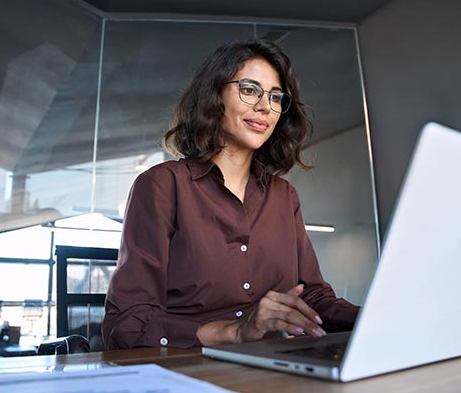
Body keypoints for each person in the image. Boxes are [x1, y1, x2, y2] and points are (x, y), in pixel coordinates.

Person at [102, 38, 359, 349]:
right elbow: (125, 324)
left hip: (276, 366)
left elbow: (313, 298)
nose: (265, 107)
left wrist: (378, 316)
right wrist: (232, 332)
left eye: (276, 97)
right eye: (250, 90)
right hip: (190, 370)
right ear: (214, 96)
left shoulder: (284, 196)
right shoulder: (162, 186)